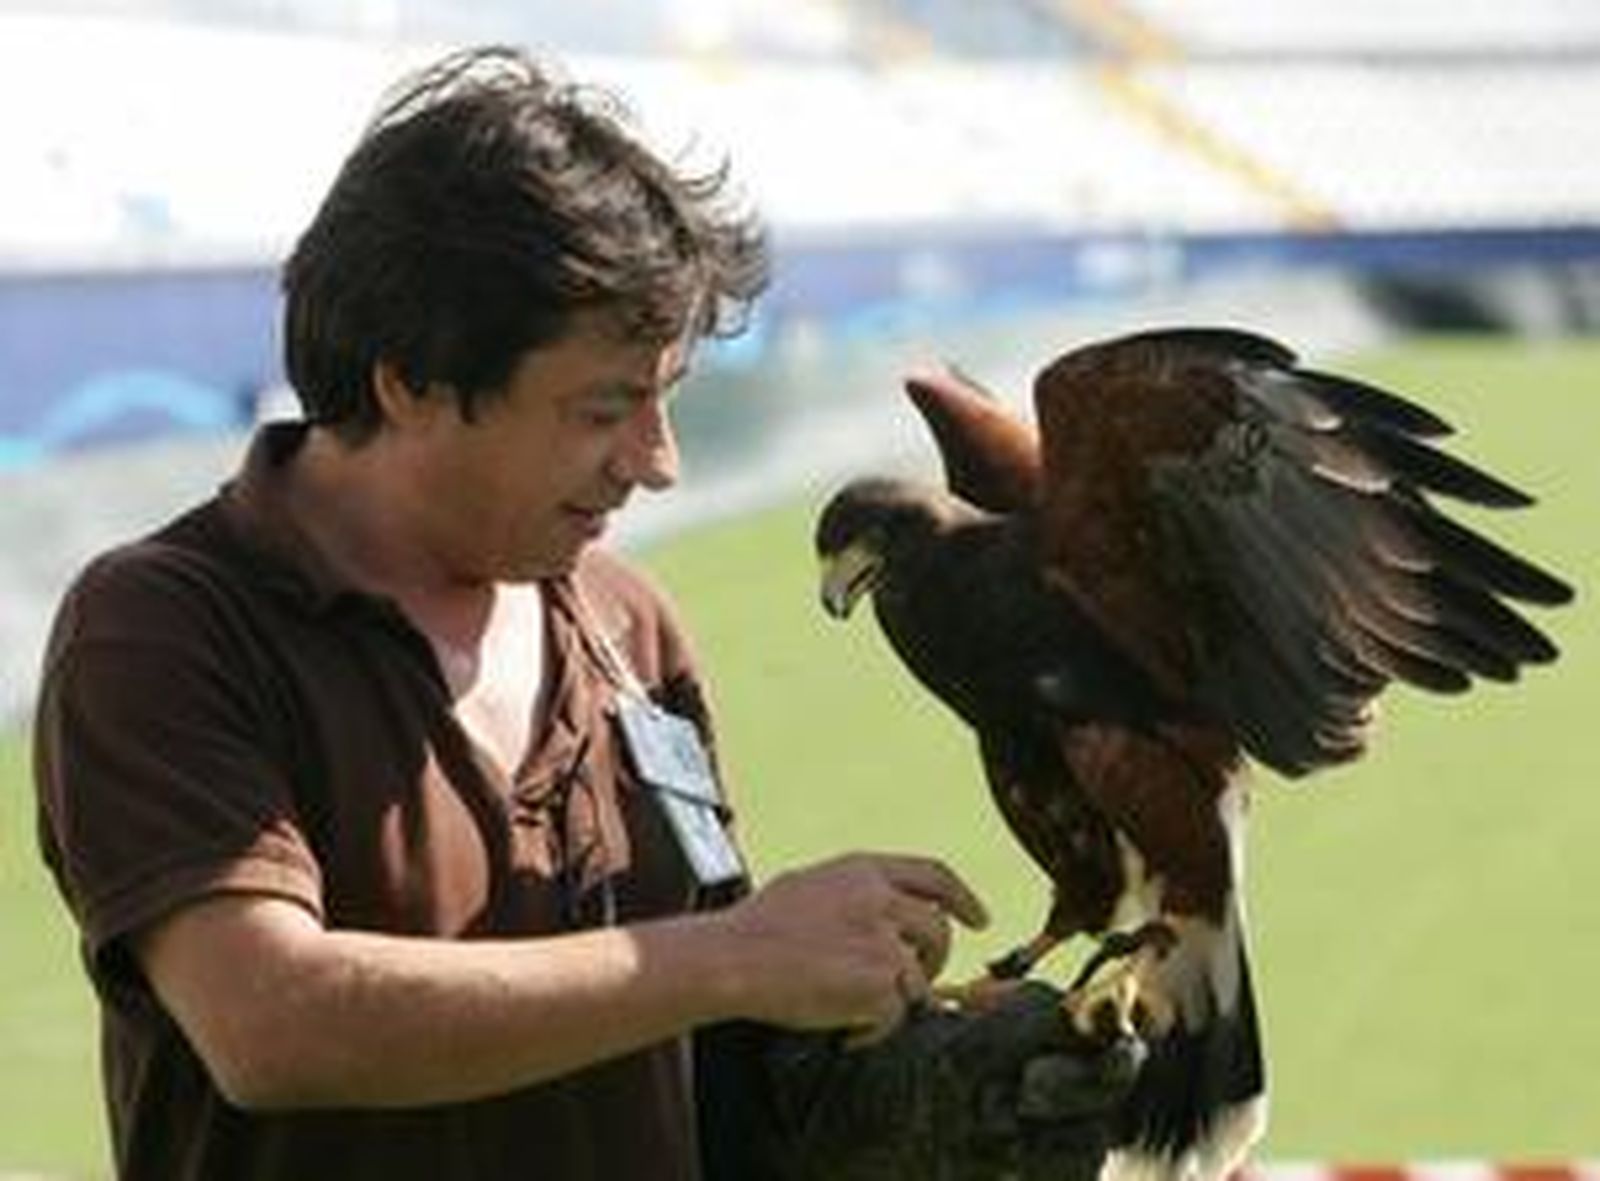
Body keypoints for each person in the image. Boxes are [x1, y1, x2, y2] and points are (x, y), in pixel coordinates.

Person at [33, 45, 1136, 1181]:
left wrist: (886, 1099)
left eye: (664, 402)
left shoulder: (627, 626)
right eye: (605, 408)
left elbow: (690, 1055)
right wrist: (731, 955)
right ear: (408, 377)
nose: (657, 463)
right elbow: (270, 1021)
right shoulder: (165, 627)